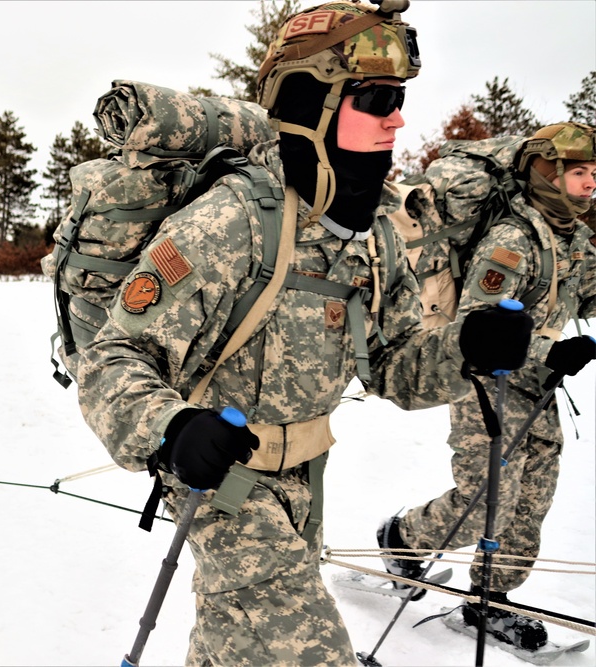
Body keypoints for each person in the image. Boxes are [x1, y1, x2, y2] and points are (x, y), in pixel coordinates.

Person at [75, 2, 538, 664]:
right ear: (311, 103)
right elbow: (112, 358)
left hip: (303, 481)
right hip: (223, 481)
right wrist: (172, 427)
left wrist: (466, 347)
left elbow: (396, 363)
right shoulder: (232, 222)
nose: (397, 118)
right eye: (376, 99)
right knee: (303, 646)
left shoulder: (371, 232)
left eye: (399, 99)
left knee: (236, 640)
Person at [377, 122, 596, 651]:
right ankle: (402, 538)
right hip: (487, 384)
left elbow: (586, 296)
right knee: (486, 501)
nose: (591, 183)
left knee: (531, 502)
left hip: (538, 386)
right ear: (547, 173)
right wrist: (552, 351)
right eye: (580, 173)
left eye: (595, 173)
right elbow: (480, 326)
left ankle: (490, 601)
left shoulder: (574, 237)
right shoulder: (512, 240)